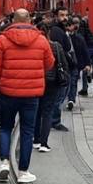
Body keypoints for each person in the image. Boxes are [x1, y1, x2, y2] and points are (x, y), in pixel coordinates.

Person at [0, 9, 53, 183]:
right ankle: (23, 171)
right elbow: (49, 63)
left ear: (13, 20)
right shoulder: (41, 40)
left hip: (8, 92)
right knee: (27, 131)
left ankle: (4, 162)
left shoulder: (2, 39)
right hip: (31, 94)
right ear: (30, 20)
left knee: (5, 127)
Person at [33, 22, 70, 151]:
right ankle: (44, 143)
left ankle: (36, 140)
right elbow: (64, 63)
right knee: (47, 112)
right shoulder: (56, 46)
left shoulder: (33, 46)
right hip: (52, 82)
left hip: (37, 81)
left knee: (37, 111)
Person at [47, 7, 75, 132]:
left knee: (59, 96)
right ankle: (54, 121)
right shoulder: (57, 31)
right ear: (56, 16)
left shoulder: (61, 29)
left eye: (66, 15)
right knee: (58, 97)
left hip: (60, 67)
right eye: (62, 15)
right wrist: (71, 62)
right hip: (59, 68)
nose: (65, 18)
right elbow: (60, 51)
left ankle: (53, 120)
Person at [65, 19, 91, 111]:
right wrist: (87, 63)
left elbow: (85, 51)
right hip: (71, 63)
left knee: (71, 81)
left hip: (71, 63)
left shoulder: (74, 38)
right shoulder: (73, 37)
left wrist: (87, 63)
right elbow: (85, 51)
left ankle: (70, 99)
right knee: (71, 82)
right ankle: (70, 98)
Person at [78, 17, 93, 99]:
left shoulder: (84, 21)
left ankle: (85, 88)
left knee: (86, 66)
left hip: (87, 47)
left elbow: (81, 35)